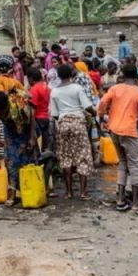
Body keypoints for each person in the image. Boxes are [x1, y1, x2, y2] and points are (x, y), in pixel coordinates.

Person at [98, 63, 138, 213]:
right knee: (134, 166)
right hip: (129, 132)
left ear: (122, 73)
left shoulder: (115, 88)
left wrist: (101, 117)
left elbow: (103, 101)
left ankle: (120, 200)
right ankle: (136, 203)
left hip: (114, 130)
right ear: (137, 76)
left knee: (123, 163)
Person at [50, 64, 96, 200]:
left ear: (58, 76)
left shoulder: (54, 92)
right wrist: (95, 112)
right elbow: (87, 106)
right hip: (78, 124)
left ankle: (69, 192)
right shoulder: (77, 88)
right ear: (71, 75)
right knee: (82, 155)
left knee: (66, 157)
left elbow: (54, 114)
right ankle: (83, 192)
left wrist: (65, 118)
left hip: (63, 124)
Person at [0, 90, 36, 206]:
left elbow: (31, 120)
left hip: (25, 130)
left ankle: (29, 190)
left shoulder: (19, 105)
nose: (0, 114)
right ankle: (12, 193)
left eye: (3, 112)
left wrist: (32, 137)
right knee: (10, 161)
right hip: (10, 132)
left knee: (27, 160)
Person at [26, 68, 53, 154]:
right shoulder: (46, 86)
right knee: (45, 145)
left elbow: (32, 109)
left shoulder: (34, 89)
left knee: (34, 144)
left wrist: (31, 128)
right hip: (46, 117)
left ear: (31, 79)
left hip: (38, 119)